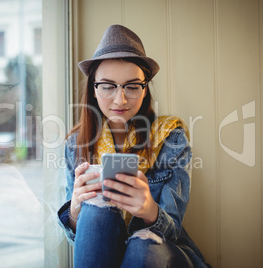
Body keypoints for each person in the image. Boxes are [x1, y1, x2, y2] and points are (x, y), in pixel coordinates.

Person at [57, 24, 209, 267]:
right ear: (93, 89)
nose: (120, 99)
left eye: (132, 86)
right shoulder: (76, 144)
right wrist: (75, 210)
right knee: (95, 214)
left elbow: (173, 229)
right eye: (107, 86)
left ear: (145, 88)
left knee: (141, 245)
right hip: (106, 248)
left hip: (163, 251)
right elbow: (81, 241)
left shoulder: (171, 137)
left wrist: (149, 209)